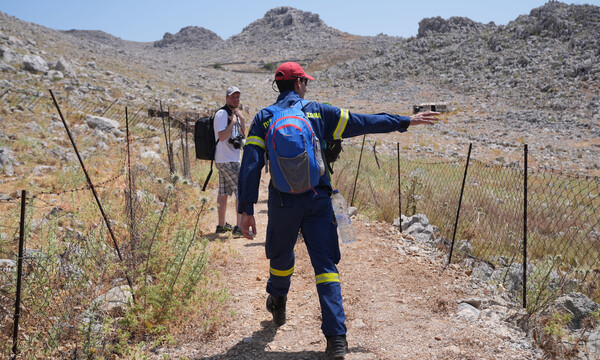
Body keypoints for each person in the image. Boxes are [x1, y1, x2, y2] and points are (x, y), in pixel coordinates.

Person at [237, 62, 439, 359]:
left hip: (281, 202)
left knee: (281, 256)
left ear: (278, 86)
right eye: (306, 82)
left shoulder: (264, 118)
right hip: (319, 199)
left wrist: (246, 209)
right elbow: (364, 122)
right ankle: (337, 339)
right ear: (299, 84)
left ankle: (278, 300)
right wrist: (405, 121)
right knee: (326, 267)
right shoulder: (319, 112)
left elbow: (251, 164)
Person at [214, 86, 246, 236]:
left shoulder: (235, 114)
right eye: (233, 96)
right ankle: (239, 227)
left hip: (232, 158)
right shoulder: (221, 114)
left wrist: (242, 119)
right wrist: (232, 122)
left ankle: (221, 225)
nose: (236, 99)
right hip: (225, 160)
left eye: (238, 97)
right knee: (241, 190)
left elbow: (241, 136)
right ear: (226, 98)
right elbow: (221, 136)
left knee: (223, 193)